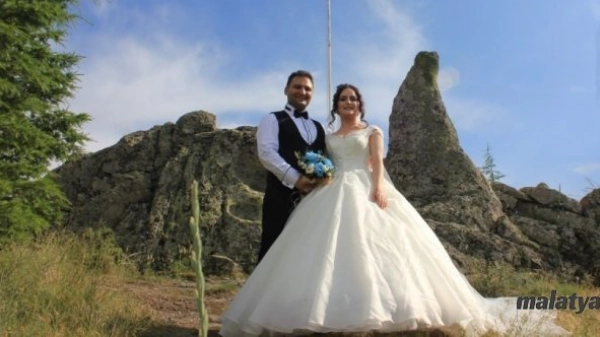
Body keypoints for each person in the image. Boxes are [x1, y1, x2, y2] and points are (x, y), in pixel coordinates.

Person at [221, 83, 570, 337]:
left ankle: (386, 308)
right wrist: (317, 172)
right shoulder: (328, 135)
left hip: (365, 186)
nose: (348, 102)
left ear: (359, 103)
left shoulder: (371, 130)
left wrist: (377, 189)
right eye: (342, 99)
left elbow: (376, 162)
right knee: (325, 250)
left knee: (379, 247)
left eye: (353, 98)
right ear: (336, 105)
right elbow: (325, 159)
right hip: (331, 188)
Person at [254, 70, 326, 263]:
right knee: (273, 249)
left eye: (307, 89)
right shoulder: (272, 119)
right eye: (297, 87)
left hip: (314, 201)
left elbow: (323, 158)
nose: (302, 92)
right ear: (286, 90)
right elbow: (266, 153)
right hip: (280, 198)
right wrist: (296, 179)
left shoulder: (319, 127)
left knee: (308, 252)